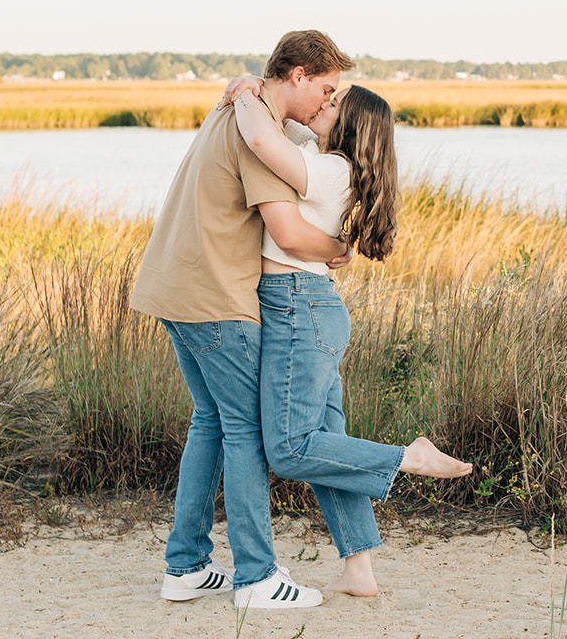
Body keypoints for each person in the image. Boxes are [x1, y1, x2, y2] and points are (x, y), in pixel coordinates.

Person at [129, 30, 356, 611]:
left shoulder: (233, 109)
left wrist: (249, 85)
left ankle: (186, 566)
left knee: (211, 420)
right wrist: (339, 249)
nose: (328, 104)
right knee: (248, 430)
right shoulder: (263, 137)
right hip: (217, 299)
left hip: (172, 287)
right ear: (299, 75)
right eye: (326, 90)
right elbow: (287, 232)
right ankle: (256, 577)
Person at [222, 75, 473, 599]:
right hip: (312, 309)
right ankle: (359, 570)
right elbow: (287, 120)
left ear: (350, 126)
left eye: (332, 103)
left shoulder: (331, 170)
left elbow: (264, 140)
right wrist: (261, 87)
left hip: (297, 309)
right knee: (327, 442)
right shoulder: (331, 160)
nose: (322, 102)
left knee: (290, 449)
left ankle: (406, 457)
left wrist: (243, 95)